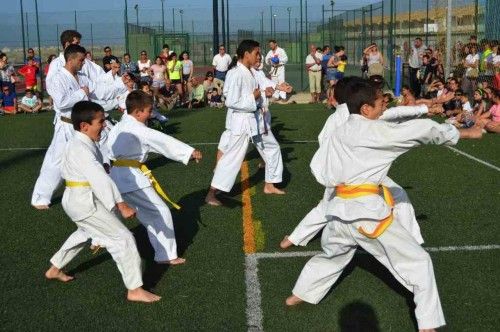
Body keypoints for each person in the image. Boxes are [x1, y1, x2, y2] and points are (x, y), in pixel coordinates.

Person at [285, 77, 483, 332]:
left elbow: (318, 168)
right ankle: (428, 325)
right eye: (380, 104)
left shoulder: (340, 130)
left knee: (332, 256)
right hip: (366, 216)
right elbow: (421, 132)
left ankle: (298, 295)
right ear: (366, 108)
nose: (383, 109)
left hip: (337, 215)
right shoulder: (375, 131)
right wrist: (464, 133)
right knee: (419, 262)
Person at [45, 100, 161, 303]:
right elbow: (98, 177)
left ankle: (55, 268)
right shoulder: (81, 147)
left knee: (85, 232)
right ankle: (134, 289)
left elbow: (92, 172)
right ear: (84, 125)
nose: (104, 125)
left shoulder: (81, 142)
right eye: (100, 122)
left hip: (77, 199)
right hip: (84, 202)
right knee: (123, 238)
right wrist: (121, 204)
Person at [107, 90, 202, 265]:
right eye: (149, 111)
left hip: (116, 176)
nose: (151, 114)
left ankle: (61, 260)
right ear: (137, 112)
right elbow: (161, 141)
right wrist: (189, 152)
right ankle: (165, 255)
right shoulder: (137, 129)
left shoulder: (120, 126)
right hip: (130, 179)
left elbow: (153, 144)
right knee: (159, 212)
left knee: (103, 216)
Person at [31, 44, 119, 209]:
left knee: (98, 156)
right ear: (70, 59)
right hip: (66, 126)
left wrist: (120, 88)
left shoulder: (82, 77)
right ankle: (40, 198)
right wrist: (81, 93)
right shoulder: (58, 78)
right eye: (81, 60)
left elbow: (98, 92)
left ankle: (106, 193)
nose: (83, 63)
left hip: (84, 127)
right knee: (56, 163)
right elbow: (62, 102)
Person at [205, 39, 285, 206]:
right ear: (246, 54)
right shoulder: (235, 73)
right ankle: (211, 193)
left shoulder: (250, 72)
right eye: (256, 53)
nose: (259, 56)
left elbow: (256, 92)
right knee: (232, 158)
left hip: (255, 119)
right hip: (242, 121)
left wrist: (266, 92)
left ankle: (270, 184)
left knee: (272, 148)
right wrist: (254, 97)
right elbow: (231, 101)